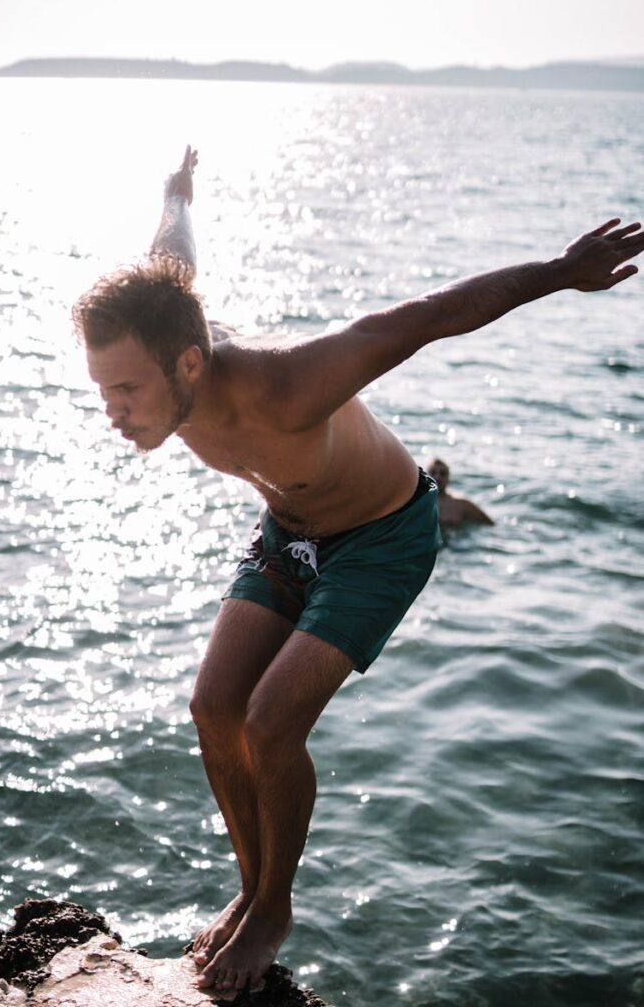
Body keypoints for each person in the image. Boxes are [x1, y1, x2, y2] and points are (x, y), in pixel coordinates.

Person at [72, 145, 643, 994]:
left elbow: (426, 315)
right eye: (102, 390)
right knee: (213, 707)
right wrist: (176, 192)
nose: (111, 412)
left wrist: (561, 272)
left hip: (383, 536)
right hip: (289, 531)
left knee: (270, 723)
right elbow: (172, 257)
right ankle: (251, 890)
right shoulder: (169, 327)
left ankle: (273, 909)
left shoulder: (289, 385)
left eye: (124, 390)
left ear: (188, 363)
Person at [428, 458, 494, 525]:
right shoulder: (423, 503)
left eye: (443, 474)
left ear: (449, 479)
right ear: (426, 478)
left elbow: (490, 524)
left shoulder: (462, 504)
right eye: (433, 473)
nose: (438, 477)